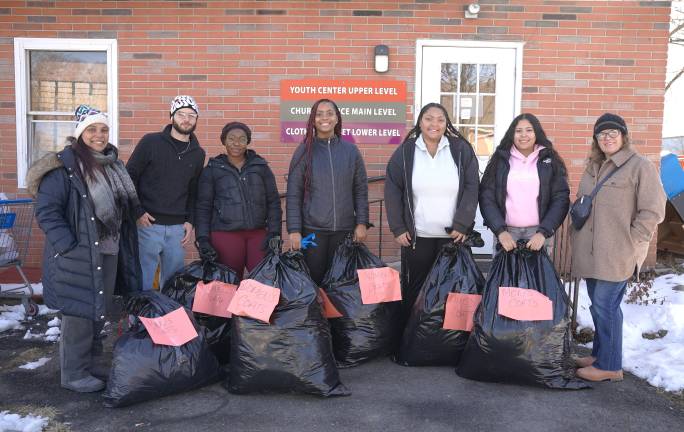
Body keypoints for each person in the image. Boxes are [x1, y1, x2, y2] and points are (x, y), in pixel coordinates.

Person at [27, 105, 141, 392]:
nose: (99, 135)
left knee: (97, 310)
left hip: (108, 248)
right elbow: (47, 211)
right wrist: (67, 245)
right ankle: (73, 374)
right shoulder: (64, 168)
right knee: (78, 314)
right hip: (77, 253)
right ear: (79, 133)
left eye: (103, 129)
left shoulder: (113, 165)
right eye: (92, 129)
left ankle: (90, 364)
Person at [571, 113, 665, 382]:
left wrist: (633, 240)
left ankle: (610, 366)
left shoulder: (639, 166)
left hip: (618, 252)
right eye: (601, 134)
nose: (607, 138)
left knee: (606, 306)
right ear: (596, 140)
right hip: (590, 252)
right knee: (598, 306)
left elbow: (653, 210)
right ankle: (601, 355)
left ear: (624, 136)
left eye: (613, 133)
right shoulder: (593, 166)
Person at [384, 102, 480, 321]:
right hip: (417, 237)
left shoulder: (460, 149)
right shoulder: (406, 151)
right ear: (420, 122)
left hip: (452, 236)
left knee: (452, 292)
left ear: (446, 124)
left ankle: (447, 345)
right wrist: (398, 227)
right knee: (416, 291)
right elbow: (392, 190)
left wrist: (463, 224)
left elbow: (472, 187)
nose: (434, 124)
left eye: (440, 119)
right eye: (428, 118)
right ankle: (412, 340)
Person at [286, 98, 369, 286]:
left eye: (330, 113)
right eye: (319, 114)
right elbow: (293, 194)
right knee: (313, 280)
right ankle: (316, 316)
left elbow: (360, 190)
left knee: (341, 282)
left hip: (345, 230)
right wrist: (294, 230)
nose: (325, 118)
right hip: (312, 232)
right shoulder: (303, 151)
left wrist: (362, 223)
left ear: (337, 118)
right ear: (312, 120)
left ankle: (336, 317)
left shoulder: (351, 151)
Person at [126, 95, 206, 290]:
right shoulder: (150, 142)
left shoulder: (198, 153)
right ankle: (139, 318)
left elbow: (194, 190)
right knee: (143, 279)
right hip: (147, 224)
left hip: (177, 229)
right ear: (172, 116)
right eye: (181, 114)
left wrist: (190, 220)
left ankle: (167, 318)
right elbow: (129, 177)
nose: (186, 119)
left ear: (196, 120)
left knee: (173, 283)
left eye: (191, 115)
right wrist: (137, 211)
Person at [194, 122, 282, 279]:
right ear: (224, 141)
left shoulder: (260, 167)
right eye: (231, 138)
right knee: (229, 284)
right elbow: (203, 207)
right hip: (225, 235)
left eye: (242, 139)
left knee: (263, 281)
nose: (236, 143)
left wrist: (275, 232)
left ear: (248, 142)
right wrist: (202, 239)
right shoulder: (212, 169)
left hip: (258, 235)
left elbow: (273, 202)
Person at [479, 113, 570, 252]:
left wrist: (543, 232)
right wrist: (500, 231)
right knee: (505, 275)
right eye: (518, 131)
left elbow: (560, 197)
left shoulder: (549, 160)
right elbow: (487, 197)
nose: (523, 135)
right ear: (512, 134)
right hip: (507, 234)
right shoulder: (500, 160)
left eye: (529, 130)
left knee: (538, 275)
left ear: (536, 133)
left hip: (538, 235)